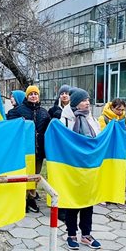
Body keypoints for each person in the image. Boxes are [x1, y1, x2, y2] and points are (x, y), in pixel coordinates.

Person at [63, 87, 102, 250]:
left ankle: (86, 234)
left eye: (88, 100)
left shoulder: (92, 118)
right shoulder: (65, 119)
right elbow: (63, 142)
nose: (87, 103)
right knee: (73, 201)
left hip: (89, 166)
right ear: (76, 103)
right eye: (84, 100)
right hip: (72, 166)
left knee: (88, 201)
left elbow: (97, 137)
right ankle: (71, 234)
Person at [7, 85, 50, 213]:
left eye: (35, 94)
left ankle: (31, 198)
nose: (33, 96)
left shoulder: (44, 112)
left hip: (38, 150)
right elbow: (10, 120)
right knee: (23, 174)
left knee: (35, 175)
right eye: (31, 94)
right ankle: (22, 199)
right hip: (24, 150)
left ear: (38, 96)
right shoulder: (19, 110)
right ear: (27, 96)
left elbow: (49, 129)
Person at [47, 84, 70, 221]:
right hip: (57, 148)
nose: (64, 95)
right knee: (58, 177)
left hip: (70, 149)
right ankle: (59, 208)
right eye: (62, 93)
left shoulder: (74, 109)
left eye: (67, 93)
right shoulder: (53, 110)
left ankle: (68, 206)